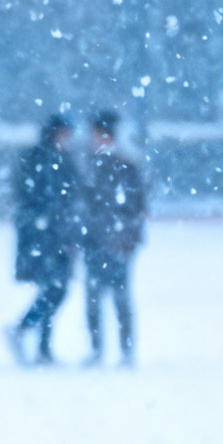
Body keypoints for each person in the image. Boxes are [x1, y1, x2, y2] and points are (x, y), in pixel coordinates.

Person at [75, 111, 148, 368]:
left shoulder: (125, 167)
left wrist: (127, 238)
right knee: (94, 300)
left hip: (118, 244)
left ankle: (126, 352)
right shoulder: (89, 166)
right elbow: (84, 208)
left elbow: (137, 208)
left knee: (120, 298)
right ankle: (97, 351)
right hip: (95, 243)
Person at [6, 114, 79, 366]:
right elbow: (36, 199)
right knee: (52, 289)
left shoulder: (62, 160)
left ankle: (36, 341)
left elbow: (68, 200)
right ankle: (29, 335)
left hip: (55, 236)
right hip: (44, 237)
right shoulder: (39, 159)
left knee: (54, 290)